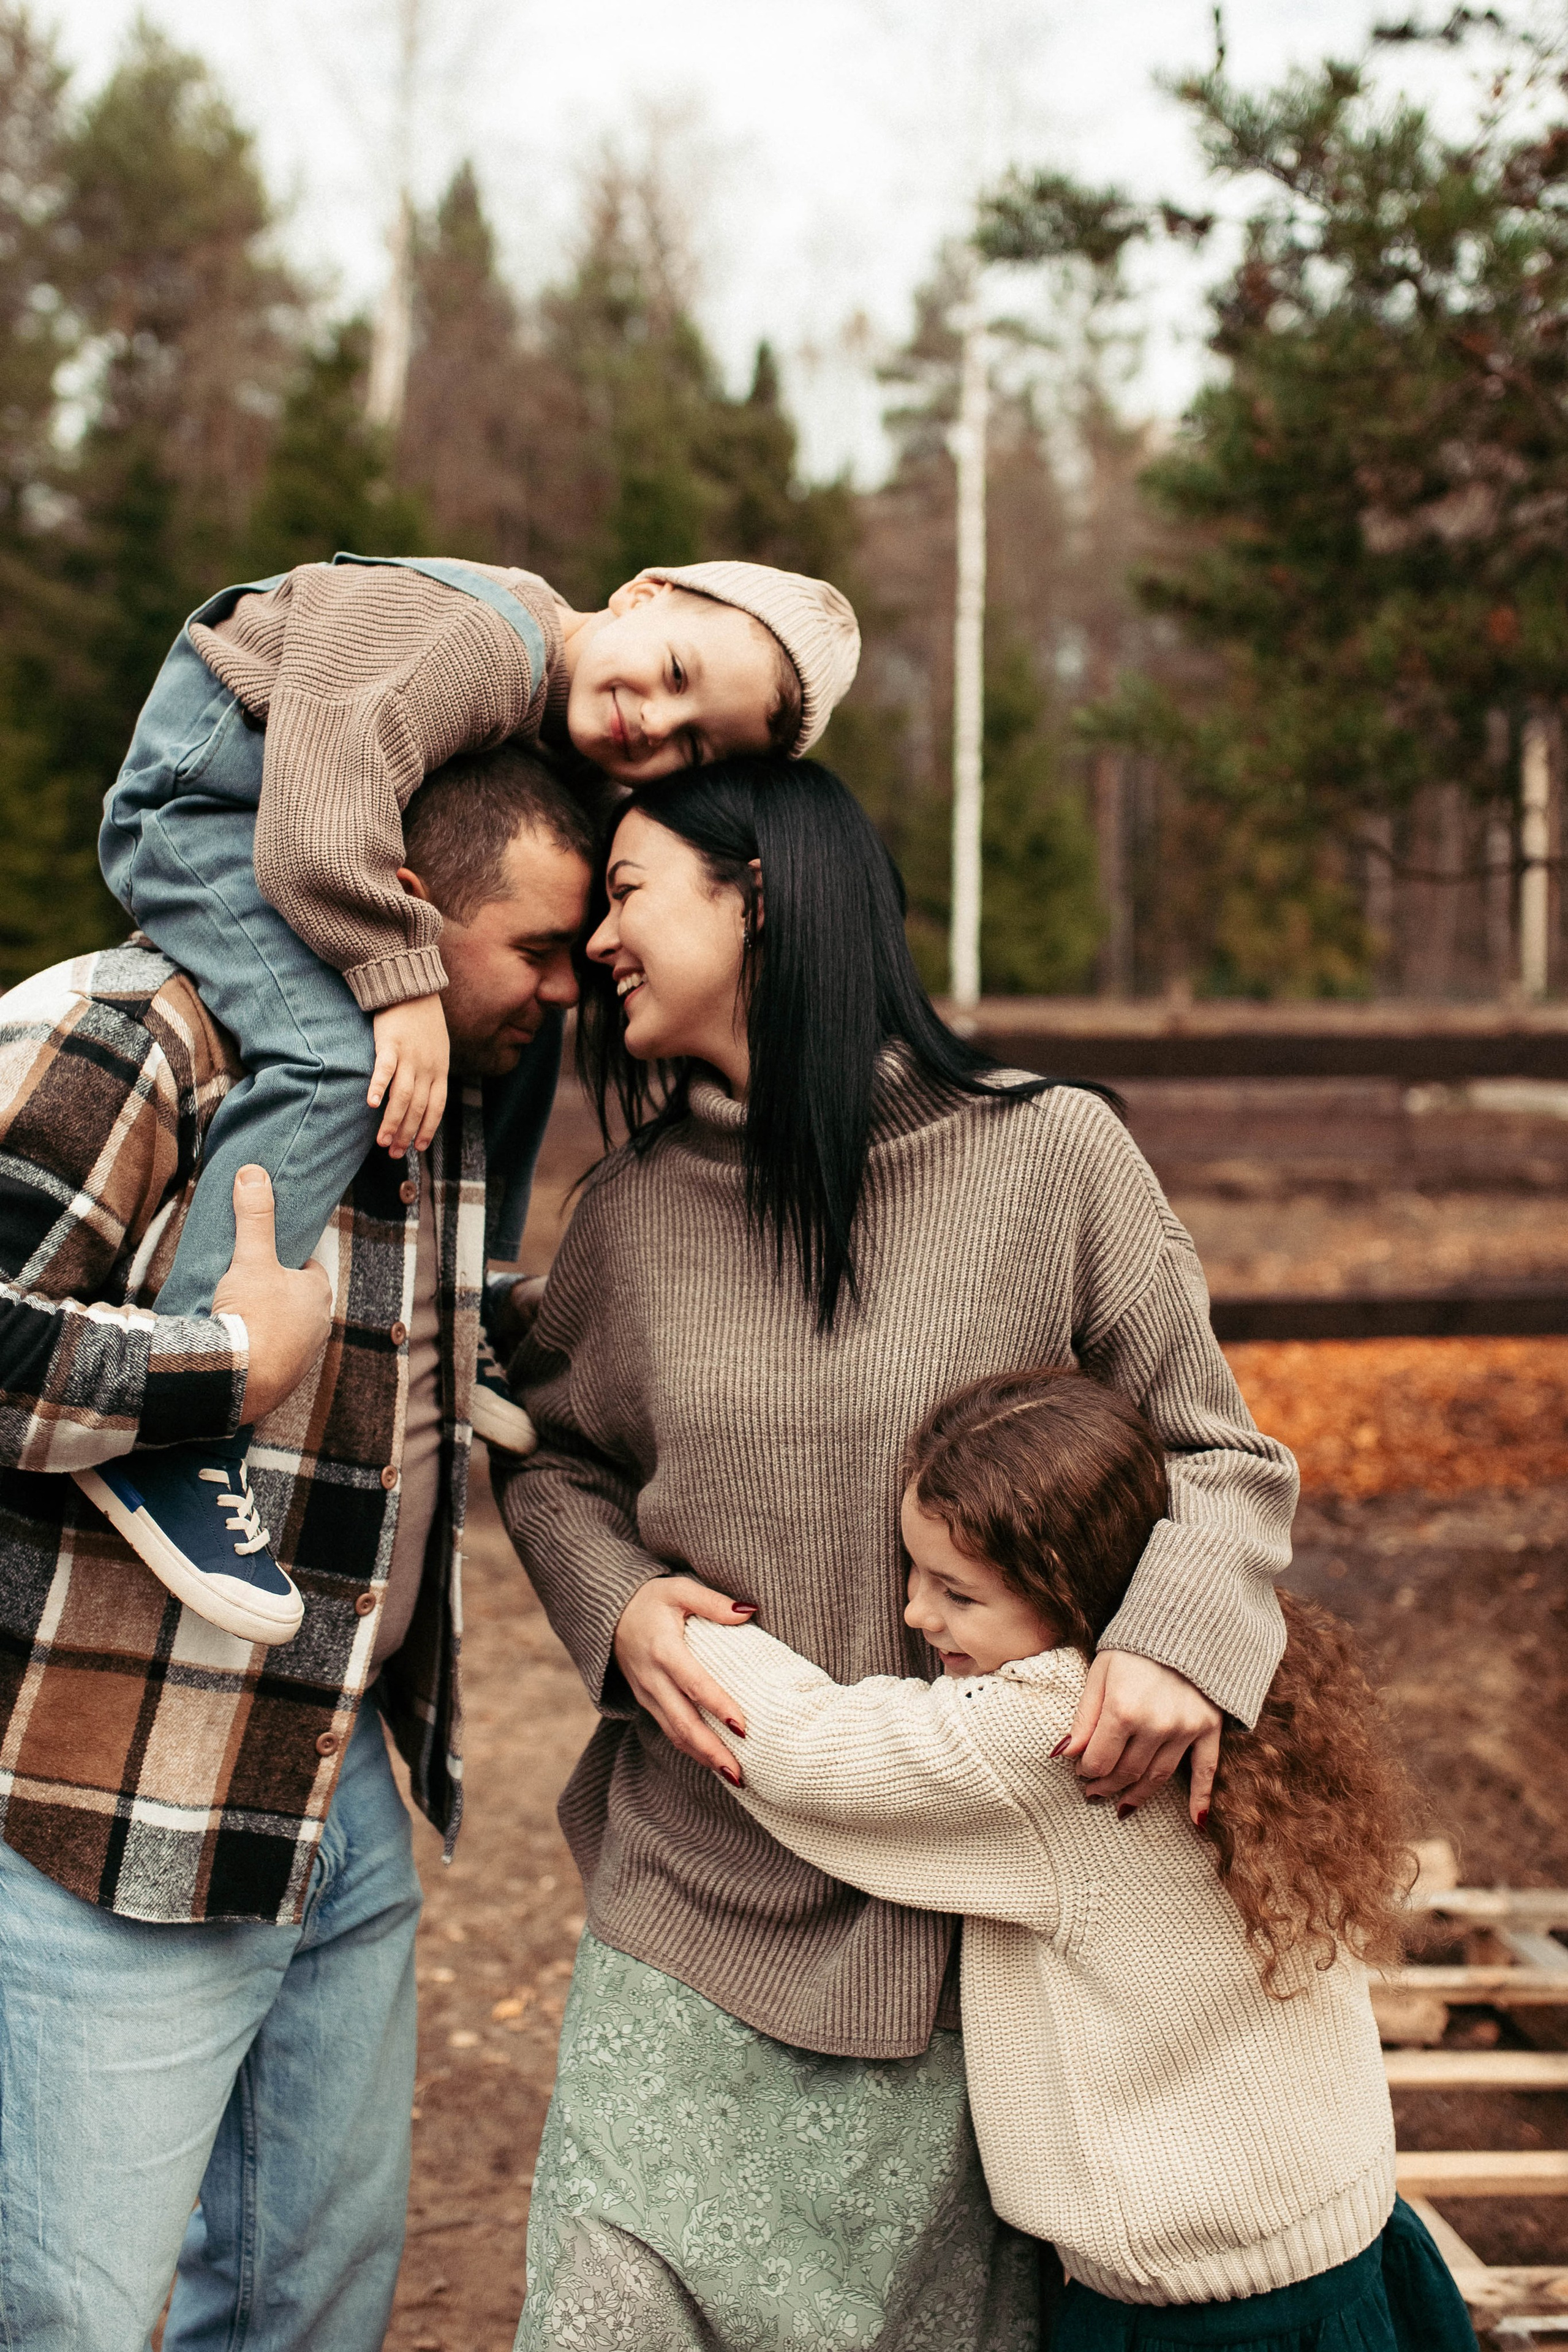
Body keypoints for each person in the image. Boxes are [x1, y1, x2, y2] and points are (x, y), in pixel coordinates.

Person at [495, 756, 1301, 2351]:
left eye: (633, 893)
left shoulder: (1055, 1156)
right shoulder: (635, 1209)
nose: (598, 942)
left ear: (762, 897)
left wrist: (1170, 1638)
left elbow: (1224, 1453)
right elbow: (556, 1464)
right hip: (688, 1897)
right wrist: (621, 1603)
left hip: (963, 1928)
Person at [0, 745, 592, 2352]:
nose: (561, 992)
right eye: (536, 949)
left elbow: (415, 1352)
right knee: (71, 2315)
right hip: (107, 1800)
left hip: (332, 1792)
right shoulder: (142, 1032)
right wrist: (213, 1372)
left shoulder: (436, 1097)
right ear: (412, 906)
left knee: (306, 2305)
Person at [81, 549, 860, 1642]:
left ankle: (473, 1293)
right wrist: (395, 979)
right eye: (673, 672)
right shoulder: (480, 642)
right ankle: (182, 1416)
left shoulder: (561, 727)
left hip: (304, 825)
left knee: (525, 1013)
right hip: (207, 809)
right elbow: (320, 800)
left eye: (693, 743)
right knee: (336, 1055)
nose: (654, 725)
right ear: (640, 593)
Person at [682, 1366, 1478, 2351]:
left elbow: (800, 1752)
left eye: (958, 1593)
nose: (918, 1616)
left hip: (1201, 2321)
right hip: (1350, 2249)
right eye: (913, 1573)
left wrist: (648, 1610)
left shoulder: (1058, 1740)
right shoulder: (1233, 1658)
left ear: (1067, 1587)